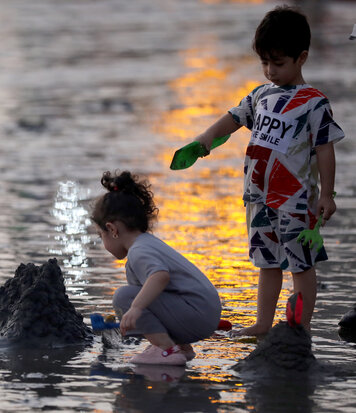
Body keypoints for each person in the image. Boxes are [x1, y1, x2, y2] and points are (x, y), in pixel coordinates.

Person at [193, 6, 345, 336]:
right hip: (258, 196)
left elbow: (324, 149)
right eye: (265, 63)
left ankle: (300, 327)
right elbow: (233, 119)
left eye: (278, 63)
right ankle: (263, 323)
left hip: (295, 199)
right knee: (267, 261)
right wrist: (206, 139)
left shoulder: (313, 102)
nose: (270, 71)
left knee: (300, 263)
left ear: (301, 58)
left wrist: (328, 194)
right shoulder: (261, 95)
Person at [91, 170, 222, 365]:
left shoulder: (138, 251)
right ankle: (180, 346)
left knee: (124, 296)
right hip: (203, 313)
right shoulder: (147, 243)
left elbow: (160, 276)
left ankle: (167, 350)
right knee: (137, 291)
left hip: (196, 315)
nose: (103, 242)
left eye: (100, 235)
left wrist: (135, 308)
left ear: (112, 229)